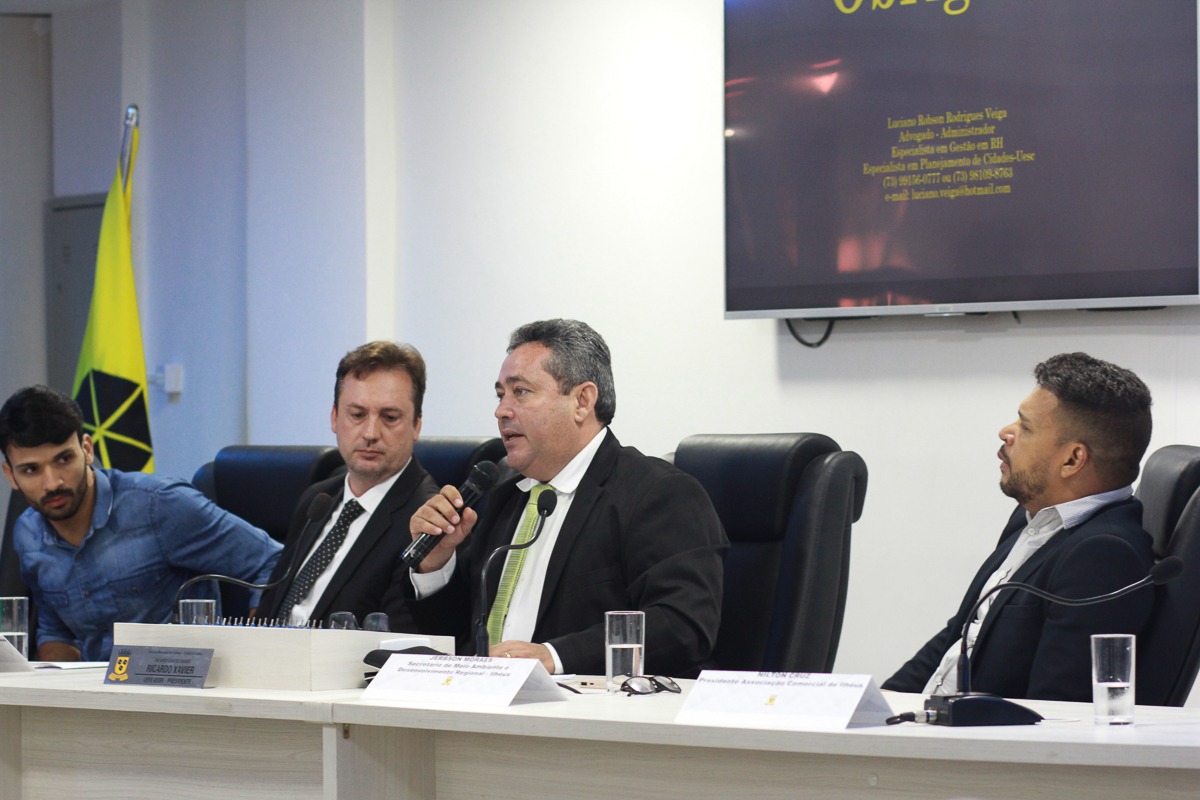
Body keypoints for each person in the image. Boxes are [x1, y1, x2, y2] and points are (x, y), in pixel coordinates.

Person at [406, 319, 728, 677]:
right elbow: (463, 638)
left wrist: (553, 656)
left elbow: (683, 626)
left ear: (582, 401)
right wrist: (436, 565)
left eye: (521, 392)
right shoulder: (502, 501)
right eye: (500, 395)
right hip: (485, 708)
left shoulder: (659, 494)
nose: (501, 411)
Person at [883, 352, 1156, 702]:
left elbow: (1058, 710)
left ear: (1072, 459)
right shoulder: (1032, 520)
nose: (1005, 432)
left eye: (1025, 427)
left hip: (977, 746)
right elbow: (960, 634)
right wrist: (880, 704)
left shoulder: (1103, 556)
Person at [0, 385, 282, 662]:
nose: (52, 483)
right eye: (31, 470)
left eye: (63, 459)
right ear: (10, 475)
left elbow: (272, 561)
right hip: (98, 696)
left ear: (87, 449)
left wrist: (253, 657)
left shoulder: (159, 505)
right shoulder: (29, 535)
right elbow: (56, 634)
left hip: (182, 690)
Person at [255, 341, 439, 631]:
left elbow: (400, 640)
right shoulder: (317, 500)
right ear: (334, 417)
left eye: (390, 418)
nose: (370, 433)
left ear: (416, 425)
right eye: (357, 415)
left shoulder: (425, 519)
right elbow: (270, 611)